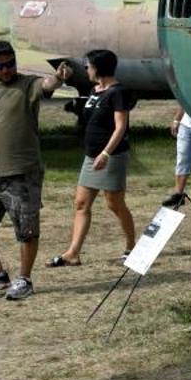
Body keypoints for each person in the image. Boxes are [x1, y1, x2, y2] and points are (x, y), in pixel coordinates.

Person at [0, 40, 69, 301]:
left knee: (26, 230)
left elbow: (47, 86)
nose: (6, 70)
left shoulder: (28, 85)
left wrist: (58, 77)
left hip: (22, 173)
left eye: (10, 63)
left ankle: (24, 280)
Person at [47, 48, 136, 267]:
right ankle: (73, 253)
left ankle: (131, 246)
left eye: (88, 66)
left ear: (99, 68)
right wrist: (64, 79)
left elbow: (120, 127)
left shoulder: (118, 92)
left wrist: (106, 152)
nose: (86, 69)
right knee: (81, 203)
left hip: (112, 156)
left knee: (114, 204)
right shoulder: (94, 90)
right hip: (91, 156)